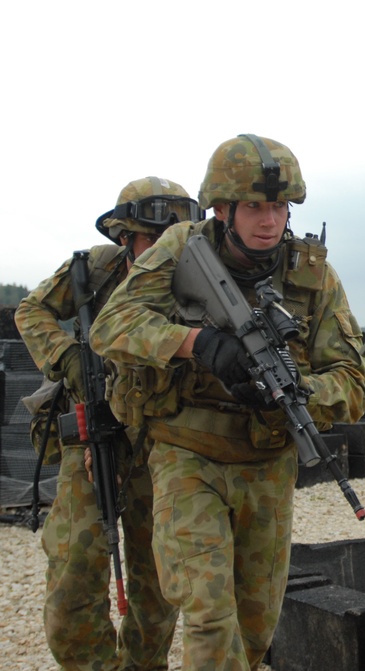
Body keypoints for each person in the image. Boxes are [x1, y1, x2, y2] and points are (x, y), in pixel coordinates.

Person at [90, 134, 365, 670]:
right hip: (186, 453)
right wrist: (197, 345)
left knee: (255, 626)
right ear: (222, 209)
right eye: (254, 207)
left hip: (267, 464)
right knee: (210, 617)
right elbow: (113, 326)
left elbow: (354, 380)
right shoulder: (179, 248)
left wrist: (296, 393)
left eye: (279, 207)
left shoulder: (313, 276)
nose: (270, 220)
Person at [15, 176, 198, 670]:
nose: (165, 250)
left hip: (162, 447)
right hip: (91, 438)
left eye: (176, 239)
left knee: (157, 590)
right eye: (151, 240)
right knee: (73, 582)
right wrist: (67, 357)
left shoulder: (200, 283)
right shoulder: (95, 270)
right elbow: (33, 312)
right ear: (125, 237)